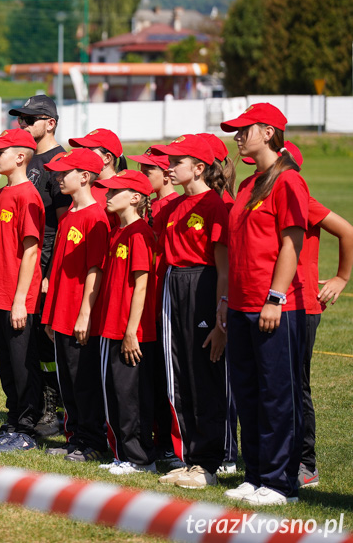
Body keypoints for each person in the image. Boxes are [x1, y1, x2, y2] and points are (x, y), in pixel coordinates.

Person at [221, 103, 309, 506]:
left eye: (245, 130)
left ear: (270, 132)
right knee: (248, 393)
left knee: (276, 395)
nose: (238, 136)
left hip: (272, 306)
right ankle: (255, 474)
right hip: (240, 305)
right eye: (235, 131)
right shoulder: (246, 185)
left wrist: (275, 296)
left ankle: (280, 483)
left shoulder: (288, 181)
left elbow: (291, 244)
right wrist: (227, 301)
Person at [148, 135, 230, 489]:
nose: (169, 166)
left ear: (198, 167)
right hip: (173, 284)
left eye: (176, 161)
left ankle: (209, 461)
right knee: (177, 373)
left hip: (203, 283)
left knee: (203, 374)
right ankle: (189, 459)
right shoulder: (173, 207)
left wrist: (219, 317)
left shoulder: (215, 205)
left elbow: (224, 268)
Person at [274, 141, 353, 489]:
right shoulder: (266, 196)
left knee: (296, 386)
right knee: (275, 385)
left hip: (302, 305)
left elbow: (347, 230)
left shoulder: (300, 199)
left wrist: (341, 278)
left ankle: (306, 463)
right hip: (276, 303)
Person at [0, 129, 44, 452]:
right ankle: (13, 421)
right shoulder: (1, 195)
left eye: (0, 152)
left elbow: (30, 250)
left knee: (21, 364)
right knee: (5, 363)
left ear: (20, 157)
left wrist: (19, 301)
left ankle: (27, 428)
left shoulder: (28, 196)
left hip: (18, 298)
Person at [41, 148, 110, 462]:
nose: (58, 177)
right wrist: (51, 314)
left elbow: (95, 269)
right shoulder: (69, 213)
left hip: (78, 314)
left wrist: (84, 313)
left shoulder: (96, 216)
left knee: (84, 381)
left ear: (84, 177)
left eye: (64, 173)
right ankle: (76, 438)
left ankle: (93, 442)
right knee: (67, 379)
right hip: (61, 312)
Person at [10, 94, 71, 437]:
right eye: (20, 119)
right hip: (27, 259)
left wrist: (51, 273)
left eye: (29, 120)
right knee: (30, 339)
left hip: (46, 259)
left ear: (50, 123)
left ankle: (54, 408)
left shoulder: (60, 163)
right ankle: (32, 405)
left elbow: (64, 225)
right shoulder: (29, 159)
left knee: (47, 340)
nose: (23, 125)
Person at [95, 169, 158, 475]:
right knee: (116, 393)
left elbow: (142, 285)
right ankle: (125, 454)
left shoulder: (140, 234)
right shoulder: (117, 231)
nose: (106, 196)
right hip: (112, 326)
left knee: (129, 396)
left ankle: (138, 458)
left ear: (135, 198)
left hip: (127, 330)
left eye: (112, 192)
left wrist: (131, 331)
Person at [129, 147, 180, 465]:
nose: (143, 174)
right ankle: (157, 438)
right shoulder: (153, 205)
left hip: (168, 298)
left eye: (149, 170)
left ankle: (171, 444)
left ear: (164, 174)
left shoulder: (174, 205)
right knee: (152, 376)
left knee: (169, 378)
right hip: (151, 300)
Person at [68, 129, 126, 228]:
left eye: (89, 151)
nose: (83, 155)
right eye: (83, 150)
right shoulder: (84, 185)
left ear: (107, 158)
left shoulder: (120, 191)